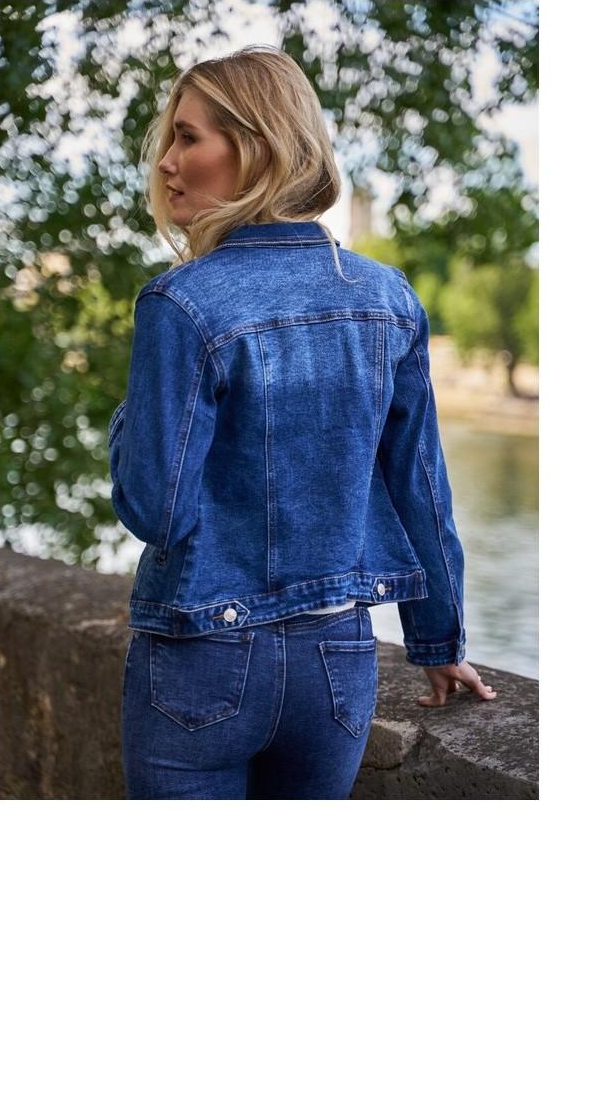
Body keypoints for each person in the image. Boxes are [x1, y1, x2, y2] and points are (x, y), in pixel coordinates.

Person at [108, 45, 495, 801]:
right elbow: (420, 486)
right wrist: (437, 638)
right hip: (338, 661)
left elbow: (154, 509)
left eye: (187, 138)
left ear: (256, 148)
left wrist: (138, 410)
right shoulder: (387, 297)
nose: (166, 163)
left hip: (202, 658)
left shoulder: (181, 303)